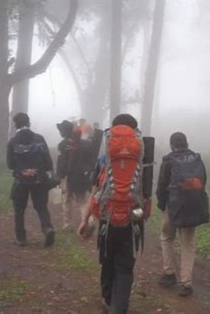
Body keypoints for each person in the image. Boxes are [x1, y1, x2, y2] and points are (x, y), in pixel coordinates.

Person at [78, 114, 149, 314]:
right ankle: (122, 307)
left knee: (107, 260)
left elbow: (96, 189)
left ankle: (107, 300)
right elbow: (146, 189)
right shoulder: (142, 153)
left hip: (107, 217)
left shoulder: (105, 153)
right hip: (132, 217)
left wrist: (85, 219)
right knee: (125, 265)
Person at [156, 132, 209, 297]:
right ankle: (186, 283)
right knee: (188, 245)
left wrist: (162, 206)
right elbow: (203, 182)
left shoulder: (168, 160)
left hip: (172, 208)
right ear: (187, 143)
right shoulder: (197, 159)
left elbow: (161, 186)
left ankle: (169, 274)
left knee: (166, 238)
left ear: (172, 145)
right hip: (192, 207)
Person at [7, 113, 55, 248]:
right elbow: (48, 161)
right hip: (39, 179)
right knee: (41, 207)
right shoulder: (39, 138)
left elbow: (10, 164)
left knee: (19, 209)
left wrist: (22, 169)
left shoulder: (12, 142)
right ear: (29, 123)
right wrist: (47, 173)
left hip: (20, 181)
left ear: (15, 125)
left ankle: (21, 238)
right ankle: (47, 229)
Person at [56, 120, 93, 230]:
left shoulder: (62, 145)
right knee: (82, 200)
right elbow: (89, 160)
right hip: (81, 176)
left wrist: (59, 176)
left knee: (66, 199)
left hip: (68, 177)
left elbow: (61, 162)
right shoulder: (85, 143)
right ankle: (89, 221)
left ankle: (67, 224)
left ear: (63, 131)